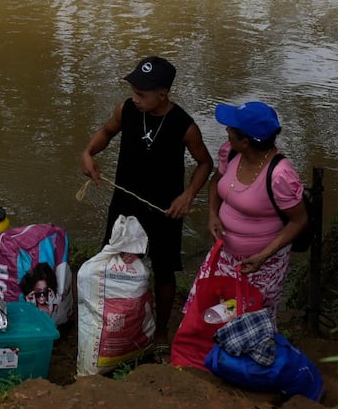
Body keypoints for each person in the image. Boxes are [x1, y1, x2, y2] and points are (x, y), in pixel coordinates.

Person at [79, 55, 214, 345]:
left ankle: (162, 329)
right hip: (125, 203)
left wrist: (187, 195)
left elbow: (205, 163)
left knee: (164, 270)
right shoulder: (126, 110)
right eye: (133, 92)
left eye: (141, 94)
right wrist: (88, 153)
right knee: (115, 257)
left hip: (165, 209)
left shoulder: (184, 126)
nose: (135, 98)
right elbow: (106, 132)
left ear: (163, 94)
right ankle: (112, 318)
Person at [196, 100, 308, 320]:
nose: (226, 130)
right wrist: (212, 214)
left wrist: (263, 256)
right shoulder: (230, 152)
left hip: (262, 265)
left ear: (245, 141)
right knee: (211, 313)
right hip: (224, 256)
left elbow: (299, 220)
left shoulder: (280, 175)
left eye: (231, 129)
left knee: (249, 321)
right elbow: (216, 182)